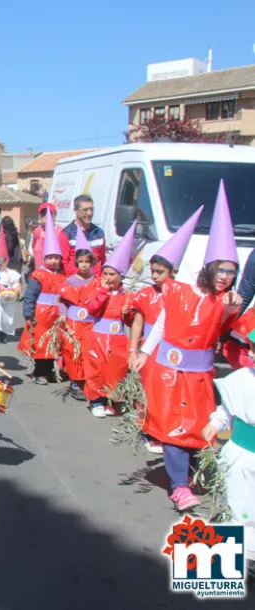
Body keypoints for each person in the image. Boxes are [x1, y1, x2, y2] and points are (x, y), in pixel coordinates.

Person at [133, 181, 242, 512]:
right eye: (221, 269)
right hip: (170, 373)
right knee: (173, 429)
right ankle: (179, 486)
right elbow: (163, 325)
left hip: (200, 376)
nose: (225, 276)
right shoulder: (179, 291)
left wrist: (232, 309)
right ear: (210, 268)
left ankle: (190, 475)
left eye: (232, 272)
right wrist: (143, 352)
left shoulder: (225, 301)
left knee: (199, 427)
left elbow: (225, 327)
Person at [129, 208, 203, 453]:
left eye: (160, 272)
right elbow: (138, 323)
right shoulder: (145, 295)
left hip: (171, 352)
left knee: (168, 394)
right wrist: (133, 349)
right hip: (150, 349)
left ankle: (165, 431)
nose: (155, 276)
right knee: (148, 390)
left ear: (175, 273)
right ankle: (147, 429)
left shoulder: (184, 296)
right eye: (153, 271)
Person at [202, 355, 255, 568]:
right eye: (251, 349)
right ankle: (245, 555)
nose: (250, 354)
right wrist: (216, 424)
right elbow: (227, 408)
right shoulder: (241, 379)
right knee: (241, 504)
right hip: (242, 454)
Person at [81, 222, 136, 418]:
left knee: (115, 371)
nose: (107, 277)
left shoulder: (127, 295)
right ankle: (96, 400)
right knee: (96, 370)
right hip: (98, 336)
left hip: (117, 339)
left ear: (120, 276)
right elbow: (91, 309)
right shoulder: (98, 289)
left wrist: (128, 313)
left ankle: (114, 400)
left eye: (112, 275)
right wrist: (103, 292)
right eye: (105, 273)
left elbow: (129, 322)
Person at [18, 212, 65, 384]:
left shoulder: (62, 276)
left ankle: (51, 370)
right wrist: (28, 314)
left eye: (56, 258)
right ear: (44, 258)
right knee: (41, 344)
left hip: (56, 316)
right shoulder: (39, 275)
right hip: (41, 316)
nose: (53, 261)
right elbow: (30, 295)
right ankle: (39, 372)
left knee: (55, 344)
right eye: (50, 258)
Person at [58, 231, 97, 401]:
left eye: (87, 262)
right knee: (74, 352)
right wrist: (62, 316)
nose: (84, 265)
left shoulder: (96, 281)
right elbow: (63, 301)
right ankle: (75, 382)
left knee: (88, 353)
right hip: (73, 323)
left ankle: (88, 381)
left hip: (90, 324)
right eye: (80, 262)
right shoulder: (70, 281)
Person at [59, 194, 107, 276]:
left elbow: (102, 260)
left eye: (91, 209)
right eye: (85, 210)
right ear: (76, 210)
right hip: (74, 282)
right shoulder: (66, 233)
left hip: (95, 282)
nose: (89, 213)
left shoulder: (99, 233)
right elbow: (63, 262)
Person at [0, 228, 22, 344]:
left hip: (7, 298)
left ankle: (4, 333)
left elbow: (16, 284)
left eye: (1, 263)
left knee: (7, 317)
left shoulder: (10, 273)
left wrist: (16, 290)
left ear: (6, 262)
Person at [30, 203, 63, 270]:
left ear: (55, 215)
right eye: (43, 213)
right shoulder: (37, 231)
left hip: (54, 274)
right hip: (39, 274)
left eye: (49, 213)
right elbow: (33, 247)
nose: (46, 215)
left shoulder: (61, 232)